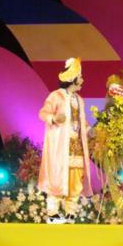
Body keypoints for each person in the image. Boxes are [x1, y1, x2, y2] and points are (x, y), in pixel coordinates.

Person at [38, 57, 93, 224]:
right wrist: (54, 118)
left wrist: (92, 131)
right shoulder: (56, 96)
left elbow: (81, 121)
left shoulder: (79, 100)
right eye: (80, 77)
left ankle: (70, 212)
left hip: (76, 145)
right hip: (60, 146)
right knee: (57, 177)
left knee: (75, 177)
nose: (82, 80)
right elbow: (43, 113)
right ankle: (53, 213)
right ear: (73, 78)